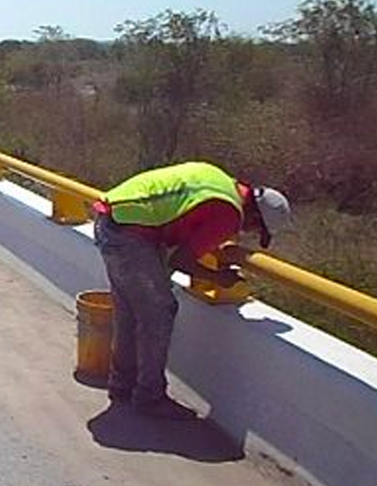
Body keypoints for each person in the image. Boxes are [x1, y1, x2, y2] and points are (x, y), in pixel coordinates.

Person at [92, 161, 291, 419]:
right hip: (130, 234)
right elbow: (180, 260)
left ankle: (122, 386)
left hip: (112, 217)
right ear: (254, 216)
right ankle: (149, 397)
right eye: (255, 229)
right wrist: (217, 277)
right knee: (160, 312)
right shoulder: (228, 214)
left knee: (130, 312)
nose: (246, 232)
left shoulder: (220, 180)